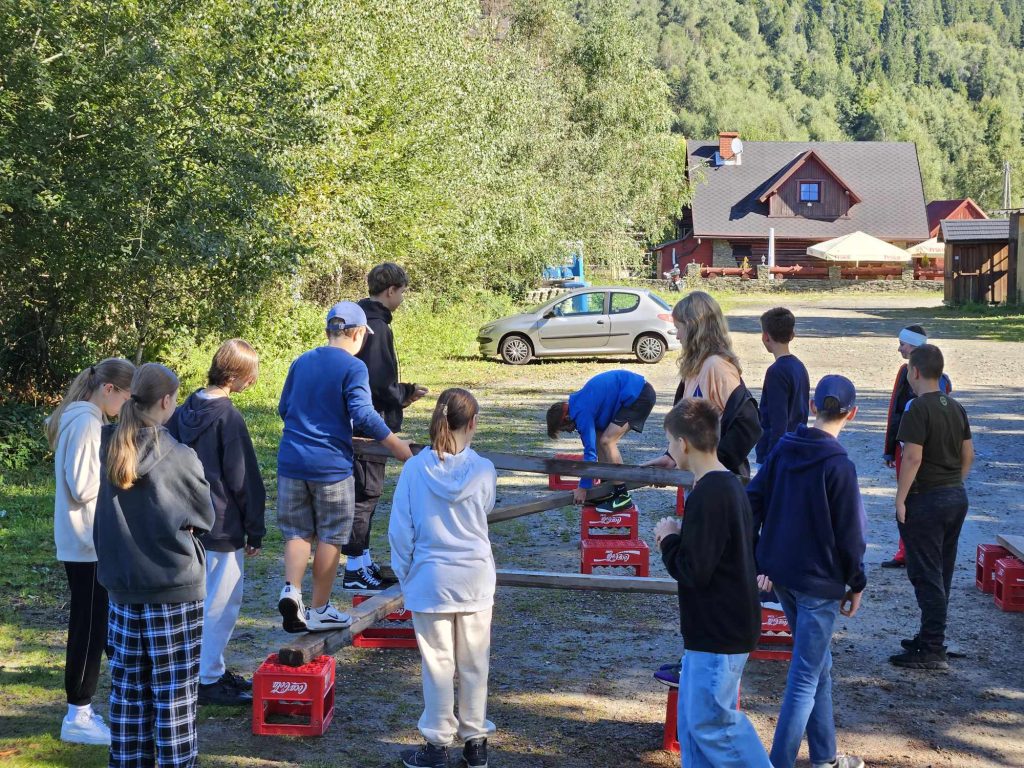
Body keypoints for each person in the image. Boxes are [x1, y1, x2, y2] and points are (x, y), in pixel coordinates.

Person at [94, 363, 215, 768]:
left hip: (123, 586)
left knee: (128, 689)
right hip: (173, 587)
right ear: (166, 401)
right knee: (174, 692)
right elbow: (205, 517)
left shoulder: (107, 446)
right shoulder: (180, 456)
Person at [747, 375, 866, 768]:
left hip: (784, 578)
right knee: (804, 678)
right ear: (852, 413)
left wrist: (761, 557)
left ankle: (825, 757)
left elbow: (752, 501)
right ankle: (777, 763)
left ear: (813, 407)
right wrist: (857, 582)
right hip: (818, 585)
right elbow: (852, 536)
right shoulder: (840, 465)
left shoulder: (783, 448)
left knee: (818, 667)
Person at [276, 301, 413, 633]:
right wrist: (396, 445)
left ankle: (291, 590)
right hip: (330, 466)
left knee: (297, 532)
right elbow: (363, 413)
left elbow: (284, 408)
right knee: (331, 535)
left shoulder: (301, 361)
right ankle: (320, 609)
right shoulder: (354, 367)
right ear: (357, 333)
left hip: (291, 461)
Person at [653, 398, 771, 768]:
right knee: (692, 727)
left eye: (670, 442)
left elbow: (693, 570)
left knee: (714, 726)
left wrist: (668, 539)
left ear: (683, 444)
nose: (671, 450)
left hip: (718, 632)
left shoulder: (709, 494)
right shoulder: (728, 484)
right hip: (717, 628)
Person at [389, 389, 497, 768]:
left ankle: (437, 744)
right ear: (473, 423)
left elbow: (400, 532)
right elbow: (486, 508)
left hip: (430, 577)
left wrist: (406, 575)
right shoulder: (483, 469)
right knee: (475, 663)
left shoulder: (414, 469)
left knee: (437, 664)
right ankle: (475, 741)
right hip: (474, 578)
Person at [167, 339, 265, 706]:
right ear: (237, 377)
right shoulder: (229, 418)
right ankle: (207, 679)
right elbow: (243, 478)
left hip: (183, 522)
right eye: (250, 375)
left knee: (190, 603)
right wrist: (255, 528)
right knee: (221, 605)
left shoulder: (180, 411)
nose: (252, 382)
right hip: (221, 525)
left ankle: (205, 669)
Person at [46, 358, 135, 745]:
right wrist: (120, 473)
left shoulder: (86, 417)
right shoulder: (86, 422)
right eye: (127, 397)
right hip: (86, 542)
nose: (127, 406)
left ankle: (88, 708)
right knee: (88, 629)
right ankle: (77, 715)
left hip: (86, 540)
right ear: (109, 389)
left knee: (98, 626)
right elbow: (82, 486)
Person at [343, 262, 428, 591]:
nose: (402, 298)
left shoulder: (362, 321)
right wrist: (404, 394)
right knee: (365, 494)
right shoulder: (376, 326)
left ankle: (363, 561)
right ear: (390, 290)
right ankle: (354, 568)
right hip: (369, 423)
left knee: (367, 493)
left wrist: (402, 392)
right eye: (402, 291)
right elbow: (378, 382)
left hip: (362, 418)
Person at [890, 344, 973, 671]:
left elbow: (912, 457)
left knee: (925, 573)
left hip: (926, 499)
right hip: (955, 497)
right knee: (941, 571)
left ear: (914, 372)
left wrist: (901, 497)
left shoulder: (917, 408)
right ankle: (929, 636)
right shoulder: (956, 407)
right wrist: (953, 482)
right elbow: (968, 455)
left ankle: (933, 647)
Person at [645, 291, 761, 482]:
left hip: (717, 483)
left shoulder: (716, 366)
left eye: (679, 328)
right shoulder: (694, 367)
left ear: (694, 328)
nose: (677, 336)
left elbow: (749, 423)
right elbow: (689, 426)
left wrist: (714, 465)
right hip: (698, 479)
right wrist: (672, 457)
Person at [882, 325, 951, 568]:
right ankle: (907, 551)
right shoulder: (935, 376)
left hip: (914, 447)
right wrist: (889, 450)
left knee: (912, 497)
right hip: (914, 447)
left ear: (914, 346)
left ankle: (914, 552)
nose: (899, 348)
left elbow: (896, 412)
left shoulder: (919, 375)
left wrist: (891, 448)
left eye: (903, 344)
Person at [546, 370, 656, 512]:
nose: (571, 431)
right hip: (635, 392)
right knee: (599, 439)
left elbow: (590, 454)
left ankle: (622, 496)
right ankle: (607, 490)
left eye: (566, 429)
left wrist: (583, 487)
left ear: (566, 418)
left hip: (640, 395)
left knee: (607, 441)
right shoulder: (579, 404)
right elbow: (593, 445)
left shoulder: (581, 412)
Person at [754, 307, 809, 464]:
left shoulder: (776, 372)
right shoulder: (799, 366)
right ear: (792, 335)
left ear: (765, 337)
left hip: (776, 455)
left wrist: (771, 460)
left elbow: (778, 422)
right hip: (796, 448)